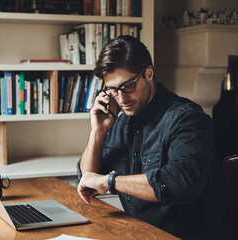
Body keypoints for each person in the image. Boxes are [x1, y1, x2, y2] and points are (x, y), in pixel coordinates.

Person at [76, 35, 229, 239]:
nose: (121, 99)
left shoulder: (187, 117)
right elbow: (87, 179)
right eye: (113, 90)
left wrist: (111, 182)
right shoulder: (119, 122)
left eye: (128, 86)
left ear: (149, 74)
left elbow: (181, 183)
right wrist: (98, 132)